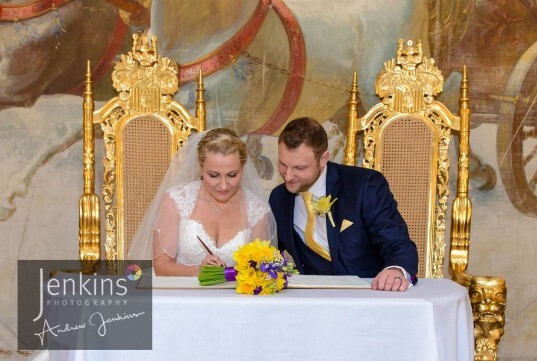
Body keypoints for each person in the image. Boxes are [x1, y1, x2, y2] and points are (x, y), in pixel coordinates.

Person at [269, 117, 418, 291]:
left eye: (299, 168)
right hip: (311, 302)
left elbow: (397, 243)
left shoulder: (364, 185)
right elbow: (267, 253)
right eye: (283, 164)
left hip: (367, 297)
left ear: (323, 159)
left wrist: (395, 269)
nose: (287, 176)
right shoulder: (279, 198)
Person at [129, 128, 276, 276]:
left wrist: (229, 275)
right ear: (200, 167)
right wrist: (197, 271)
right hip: (179, 294)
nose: (224, 185)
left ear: (242, 169)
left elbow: (258, 272)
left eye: (232, 175)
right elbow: (161, 266)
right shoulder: (176, 200)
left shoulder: (257, 210)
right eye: (214, 175)